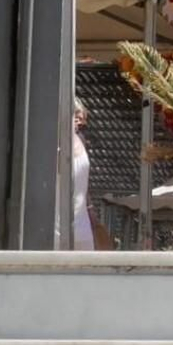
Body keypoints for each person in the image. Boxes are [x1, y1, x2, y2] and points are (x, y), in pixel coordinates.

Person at [70, 99, 96, 252]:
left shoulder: (80, 140)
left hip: (82, 222)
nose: (79, 123)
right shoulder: (49, 141)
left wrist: (90, 208)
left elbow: (83, 184)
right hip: (57, 225)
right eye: (76, 117)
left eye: (81, 120)